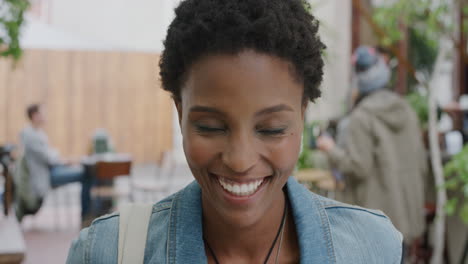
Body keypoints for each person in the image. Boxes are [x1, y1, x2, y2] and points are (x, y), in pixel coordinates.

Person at [67, 1, 403, 263]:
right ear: (180, 113)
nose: (240, 160)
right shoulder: (106, 253)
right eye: (210, 126)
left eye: (271, 129)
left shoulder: (372, 248)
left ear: (302, 116)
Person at [317, 46, 427, 247]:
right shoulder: (407, 110)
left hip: (377, 222)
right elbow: (421, 161)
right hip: (406, 215)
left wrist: (330, 148)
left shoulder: (362, 117)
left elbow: (359, 167)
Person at [16, 104, 92, 222]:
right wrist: (62, 159)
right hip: (46, 175)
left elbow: (50, 155)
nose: (45, 116)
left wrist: (61, 159)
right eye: (42, 113)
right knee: (85, 175)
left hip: (53, 169)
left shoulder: (38, 133)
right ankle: (86, 216)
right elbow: (48, 157)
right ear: (35, 116)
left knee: (85, 171)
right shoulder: (29, 135)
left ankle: (87, 214)